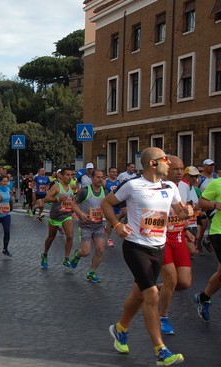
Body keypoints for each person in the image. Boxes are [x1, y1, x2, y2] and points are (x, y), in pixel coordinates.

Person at [102, 147, 191, 366]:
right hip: (135, 247)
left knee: (139, 293)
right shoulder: (132, 185)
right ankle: (161, 350)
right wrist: (116, 224)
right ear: (153, 163)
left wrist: (187, 212)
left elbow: (179, 212)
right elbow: (106, 203)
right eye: (166, 160)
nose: (169, 164)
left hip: (158, 247)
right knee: (151, 294)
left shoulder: (170, 187)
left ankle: (120, 329)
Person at [157, 156, 195, 336]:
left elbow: (182, 210)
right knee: (171, 280)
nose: (180, 172)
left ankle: (153, 290)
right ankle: (163, 317)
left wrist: (186, 228)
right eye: (176, 169)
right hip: (161, 238)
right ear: (167, 169)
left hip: (179, 236)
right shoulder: (156, 186)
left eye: (182, 169)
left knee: (184, 282)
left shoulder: (185, 187)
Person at [70, 169, 107, 282]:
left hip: (99, 225)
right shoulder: (85, 191)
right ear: (92, 178)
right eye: (98, 177)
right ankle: (77, 254)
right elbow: (73, 203)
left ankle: (91, 272)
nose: (100, 179)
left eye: (102, 177)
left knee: (100, 250)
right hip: (86, 225)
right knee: (86, 252)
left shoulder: (104, 190)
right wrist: (80, 213)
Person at [194, 169, 221, 322]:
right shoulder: (217, 184)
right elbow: (201, 202)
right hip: (219, 232)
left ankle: (203, 297)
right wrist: (215, 204)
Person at [40, 167, 75, 269]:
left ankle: (66, 258)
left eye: (71, 175)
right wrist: (58, 199)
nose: (70, 177)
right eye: (67, 175)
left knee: (70, 236)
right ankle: (45, 254)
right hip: (55, 215)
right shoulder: (56, 187)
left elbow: (72, 199)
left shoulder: (72, 186)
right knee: (51, 237)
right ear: (62, 176)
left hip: (67, 214)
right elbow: (46, 199)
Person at [104, 166, 122, 247]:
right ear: (109, 173)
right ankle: (109, 239)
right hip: (109, 205)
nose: (115, 173)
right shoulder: (105, 182)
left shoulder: (119, 182)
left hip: (117, 205)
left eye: (116, 172)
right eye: (113, 172)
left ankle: (106, 228)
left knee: (115, 221)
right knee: (109, 221)